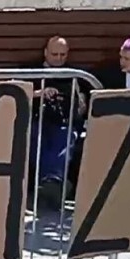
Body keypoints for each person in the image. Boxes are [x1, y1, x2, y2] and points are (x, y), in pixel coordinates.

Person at [26, 36, 85, 209]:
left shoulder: (74, 74)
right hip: (37, 118)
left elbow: (83, 105)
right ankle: (55, 183)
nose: (59, 59)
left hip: (64, 121)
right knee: (36, 137)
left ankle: (51, 182)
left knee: (66, 138)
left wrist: (80, 102)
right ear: (45, 52)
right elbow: (17, 94)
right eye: (54, 54)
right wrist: (39, 93)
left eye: (63, 55)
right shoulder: (31, 71)